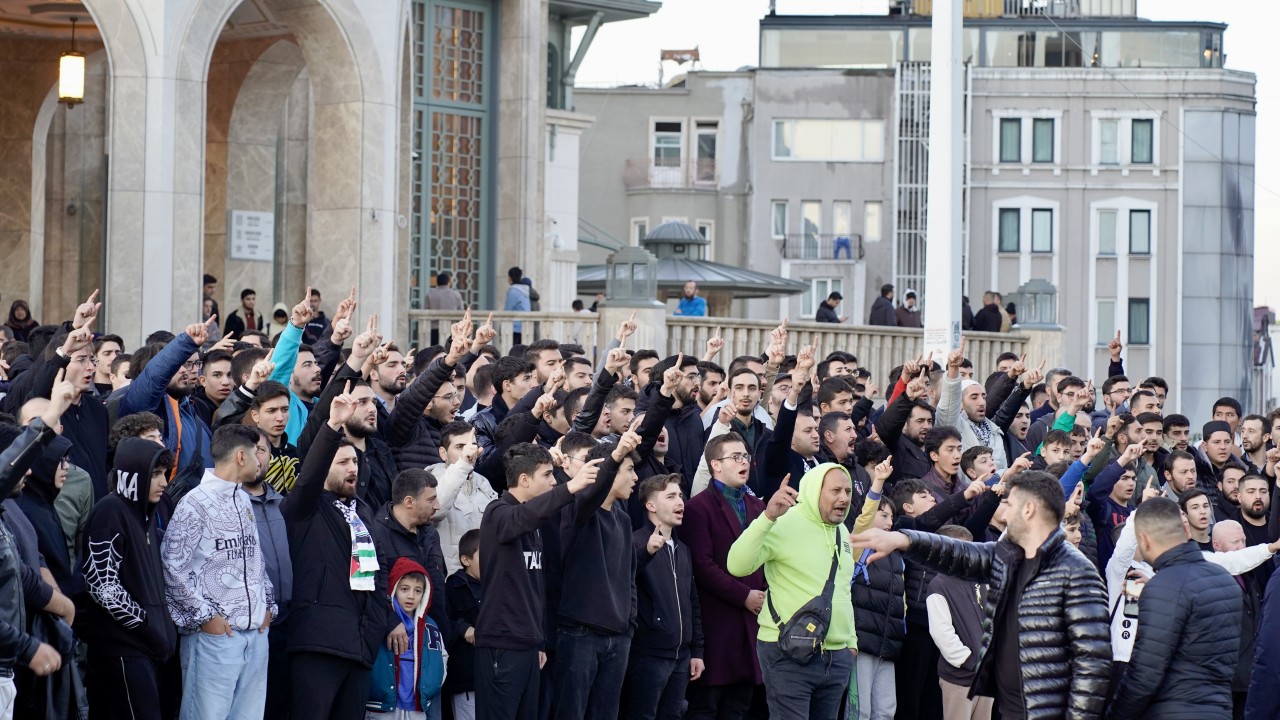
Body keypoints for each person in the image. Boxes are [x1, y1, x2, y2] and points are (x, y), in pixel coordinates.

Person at [851, 471, 1112, 719]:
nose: (1004, 515)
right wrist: (903, 540)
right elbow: (962, 554)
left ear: (1028, 510)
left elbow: (1093, 662)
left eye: (1009, 505)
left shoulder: (1078, 573)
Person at [282, 387, 395, 719]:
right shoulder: (305, 507)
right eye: (343, 461)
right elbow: (308, 477)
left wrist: (376, 626)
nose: (353, 468)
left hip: (359, 646)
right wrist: (332, 427)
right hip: (317, 643)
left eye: (356, 462)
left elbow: (379, 570)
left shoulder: (363, 513)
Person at [474, 442, 602, 720]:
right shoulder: (497, 512)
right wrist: (569, 487)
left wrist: (539, 641)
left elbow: (535, 590)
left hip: (530, 645)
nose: (553, 481)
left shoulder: (535, 526)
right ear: (523, 479)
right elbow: (522, 517)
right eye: (546, 475)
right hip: (503, 644)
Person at [160, 424, 275, 720]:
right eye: (256, 452)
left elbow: (255, 559)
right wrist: (205, 617)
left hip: (255, 635)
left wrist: (267, 606)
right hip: (215, 638)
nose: (260, 460)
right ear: (240, 456)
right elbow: (173, 568)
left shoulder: (243, 499)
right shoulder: (194, 504)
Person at [727, 463, 857, 720]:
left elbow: (843, 590)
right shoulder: (784, 522)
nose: (844, 498)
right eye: (835, 491)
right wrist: (768, 517)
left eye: (848, 491)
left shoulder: (842, 531)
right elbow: (736, 565)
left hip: (836, 657)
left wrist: (850, 644)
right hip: (787, 652)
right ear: (814, 491)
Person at [1107, 498, 1242, 719]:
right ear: (1185, 530)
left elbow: (1145, 674)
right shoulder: (1224, 580)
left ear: (1144, 540)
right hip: (1219, 709)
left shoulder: (1164, 587)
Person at [80, 437, 179, 720]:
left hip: (150, 651)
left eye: (164, 474)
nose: (163, 483)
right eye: (155, 474)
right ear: (132, 475)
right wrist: (148, 627)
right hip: (123, 649)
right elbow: (103, 586)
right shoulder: (110, 511)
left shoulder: (147, 516)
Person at [682, 432, 766, 720]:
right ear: (716, 465)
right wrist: (744, 596)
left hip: (753, 626)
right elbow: (702, 566)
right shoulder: (698, 508)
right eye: (735, 457)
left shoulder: (759, 508)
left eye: (745, 457)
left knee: (739, 708)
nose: (744, 462)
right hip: (717, 624)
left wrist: (763, 594)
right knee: (706, 707)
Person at [623, 474, 705, 720]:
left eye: (680, 495)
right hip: (647, 655)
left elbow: (693, 603)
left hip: (681, 657)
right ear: (651, 505)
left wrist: (697, 651)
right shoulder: (635, 542)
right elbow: (623, 582)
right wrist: (646, 552)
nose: (680, 502)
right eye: (670, 496)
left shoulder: (684, 550)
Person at [925, 525, 994, 720]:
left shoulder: (979, 580)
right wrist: (968, 660)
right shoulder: (939, 585)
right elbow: (941, 632)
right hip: (959, 678)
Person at [367, 558, 449, 720]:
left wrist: (433, 685)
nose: (411, 596)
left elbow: (442, 657)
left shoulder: (430, 626)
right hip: (382, 705)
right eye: (405, 589)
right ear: (394, 589)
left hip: (417, 706)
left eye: (418, 591)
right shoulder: (382, 620)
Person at [445, 530, 482, 720]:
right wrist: (462, 628)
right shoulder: (453, 586)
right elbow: (441, 621)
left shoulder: (499, 586)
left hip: (496, 677)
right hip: (466, 678)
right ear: (466, 560)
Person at [504, 267, 533, 345]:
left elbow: (508, 310)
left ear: (510, 277)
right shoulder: (525, 290)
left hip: (515, 327)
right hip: (525, 326)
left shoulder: (513, 291)